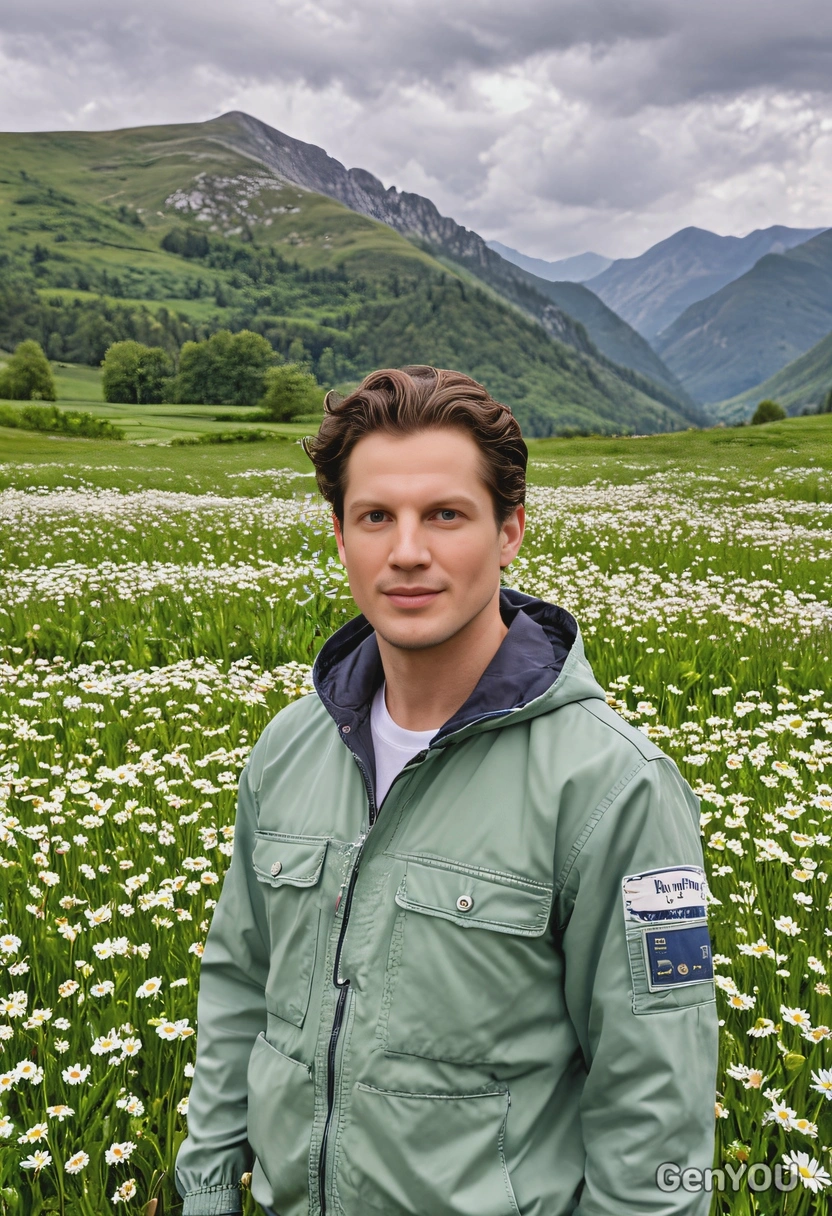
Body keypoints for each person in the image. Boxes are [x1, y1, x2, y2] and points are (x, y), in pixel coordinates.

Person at [175, 366, 719, 1216]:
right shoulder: (288, 748)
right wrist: (207, 1193)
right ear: (340, 533)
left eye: (446, 515)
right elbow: (238, 987)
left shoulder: (615, 787)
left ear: (510, 533)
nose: (407, 552)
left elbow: (656, 1103)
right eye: (376, 517)